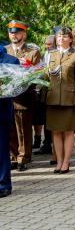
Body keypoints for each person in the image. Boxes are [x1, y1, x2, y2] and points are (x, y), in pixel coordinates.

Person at [45, 27, 75, 173]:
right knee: (55, 131)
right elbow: (45, 77)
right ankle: (59, 161)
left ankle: (66, 162)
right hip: (53, 98)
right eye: (59, 36)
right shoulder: (50, 55)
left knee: (68, 132)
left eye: (65, 36)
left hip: (69, 100)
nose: (61, 38)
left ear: (70, 39)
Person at [5, 20, 41, 171]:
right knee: (10, 128)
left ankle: (23, 157)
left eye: (17, 32)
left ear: (24, 34)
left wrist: (28, 73)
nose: (14, 35)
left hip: (24, 96)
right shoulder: (4, 50)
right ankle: (13, 156)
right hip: (6, 97)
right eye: (11, 33)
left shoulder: (32, 52)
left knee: (23, 128)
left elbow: (38, 74)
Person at [0, 45, 20, 198]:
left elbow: (17, 86)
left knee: (1, 150)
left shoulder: (11, 60)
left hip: (1, 111)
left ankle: (4, 184)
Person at [35, 35, 56, 156]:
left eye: (50, 44)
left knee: (52, 120)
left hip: (54, 91)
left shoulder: (57, 54)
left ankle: (51, 144)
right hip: (44, 91)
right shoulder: (44, 54)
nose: (48, 47)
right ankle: (47, 143)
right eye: (46, 44)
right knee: (45, 119)